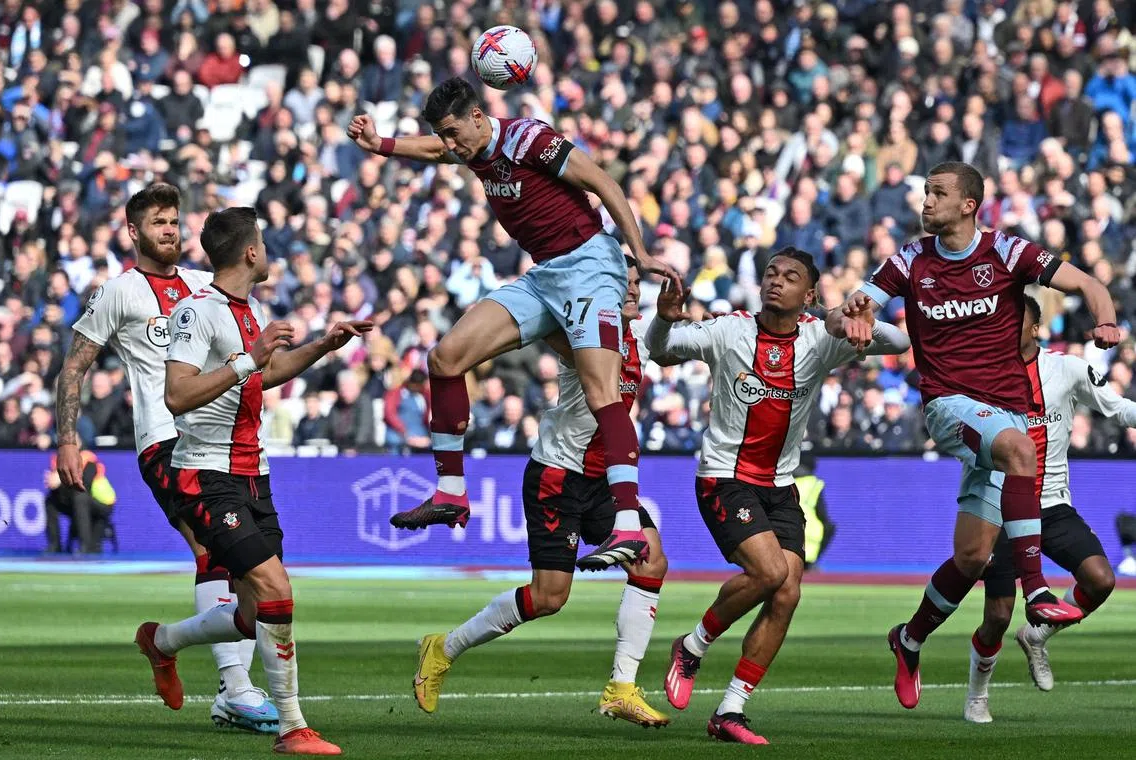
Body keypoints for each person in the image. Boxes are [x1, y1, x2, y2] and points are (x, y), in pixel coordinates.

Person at [347, 77, 679, 570]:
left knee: (601, 392)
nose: (451, 143)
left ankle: (628, 524)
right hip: (545, 274)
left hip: (589, 265)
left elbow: (603, 182)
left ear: (479, 116)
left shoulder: (530, 139)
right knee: (445, 357)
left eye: (455, 131)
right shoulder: (470, 148)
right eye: (445, 134)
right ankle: (452, 492)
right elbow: (438, 153)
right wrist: (383, 146)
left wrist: (642, 253)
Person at [831, 161, 1120, 710]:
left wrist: (1104, 319)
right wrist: (854, 311)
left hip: (1000, 419)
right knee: (1019, 448)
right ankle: (1037, 587)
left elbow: (1086, 282)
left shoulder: (1009, 253)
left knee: (970, 558)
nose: (926, 201)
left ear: (969, 205)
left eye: (937, 193)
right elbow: (862, 297)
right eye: (924, 192)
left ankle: (909, 637)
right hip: (950, 407)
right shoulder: (911, 260)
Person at [646, 249, 910, 744]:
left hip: (781, 485)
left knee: (787, 591)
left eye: (791, 278)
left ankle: (730, 711)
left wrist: (859, 319)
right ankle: (693, 645)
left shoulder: (821, 338)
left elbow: (899, 341)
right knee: (769, 573)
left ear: (809, 295)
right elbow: (660, 349)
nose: (776, 282)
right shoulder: (730, 330)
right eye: (771, 273)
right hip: (724, 476)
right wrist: (662, 322)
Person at [134, 207, 371, 756]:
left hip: (253, 475)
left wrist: (322, 347)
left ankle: (161, 641)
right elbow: (177, 394)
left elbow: (264, 373)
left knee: (249, 616)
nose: (267, 250)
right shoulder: (197, 313)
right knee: (276, 592)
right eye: (263, 241)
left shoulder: (249, 310)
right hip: (208, 474)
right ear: (249, 253)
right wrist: (247, 360)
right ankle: (293, 727)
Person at [53, 184, 279, 733]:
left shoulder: (208, 284)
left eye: (175, 221)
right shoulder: (119, 292)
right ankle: (236, 689)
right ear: (134, 232)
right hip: (164, 440)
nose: (170, 231)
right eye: (158, 222)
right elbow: (74, 366)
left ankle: (166, 643)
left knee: (250, 575)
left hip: (225, 439)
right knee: (217, 552)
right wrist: (68, 439)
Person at [412, 263, 670, 727]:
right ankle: (443, 647)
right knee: (550, 598)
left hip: (604, 480)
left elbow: (669, 339)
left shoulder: (642, 341)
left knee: (652, 559)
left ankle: (622, 688)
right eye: (621, 283)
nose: (631, 289)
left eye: (635, 284)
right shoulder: (580, 337)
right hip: (558, 476)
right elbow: (535, 323)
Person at [964, 295, 1130, 723]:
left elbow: (1115, 407)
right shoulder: (981, 375)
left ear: (1036, 328)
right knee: (997, 616)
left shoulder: (1067, 369)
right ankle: (977, 695)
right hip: (1001, 508)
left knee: (1100, 579)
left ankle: (1037, 634)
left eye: (1013, 319)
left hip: (1052, 504)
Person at [44, 446, 115, 554]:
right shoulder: (58, 458)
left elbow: (84, 486)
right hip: (78, 501)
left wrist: (62, 479)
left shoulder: (87, 457)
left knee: (80, 498)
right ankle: (55, 545)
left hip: (102, 502)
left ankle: (84, 546)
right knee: (50, 500)